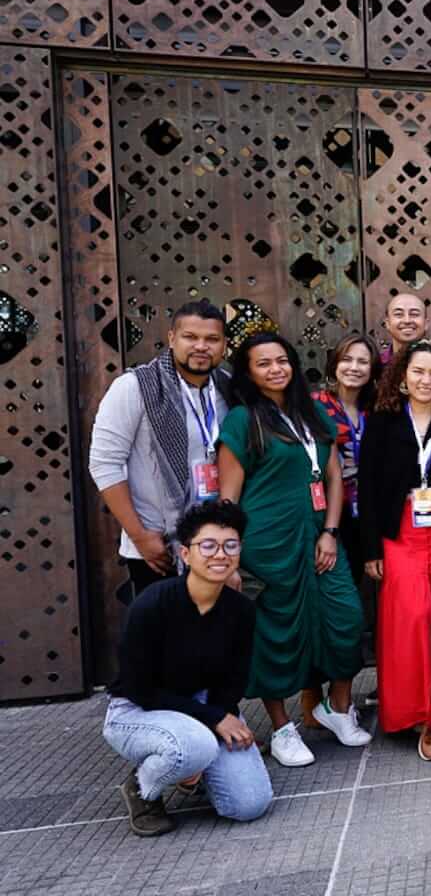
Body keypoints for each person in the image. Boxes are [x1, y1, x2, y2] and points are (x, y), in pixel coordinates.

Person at [217, 332, 369, 767]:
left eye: (282, 361)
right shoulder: (242, 421)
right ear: (247, 372)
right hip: (268, 543)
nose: (276, 369)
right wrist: (229, 555)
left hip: (319, 537)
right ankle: (282, 728)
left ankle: (336, 707)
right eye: (263, 363)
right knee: (277, 635)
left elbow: (335, 477)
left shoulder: (315, 411)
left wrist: (331, 532)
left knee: (345, 618)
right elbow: (228, 498)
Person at [103, 500, 272, 837]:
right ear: (185, 554)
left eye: (230, 545)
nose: (220, 554)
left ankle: (195, 770)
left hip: (204, 706)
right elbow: (139, 689)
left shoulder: (240, 610)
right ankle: (143, 787)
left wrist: (218, 715)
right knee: (195, 746)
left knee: (250, 804)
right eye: (207, 545)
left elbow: (232, 682)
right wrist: (211, 720)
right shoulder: (152, 604)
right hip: (137, 711)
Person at [358, 339, 431, 759]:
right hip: (399, 534)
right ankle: (421, 715)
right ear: (403, 379)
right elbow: (367, 489)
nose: (426, 380)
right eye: (418, 372)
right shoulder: (382, 423)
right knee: (411, 619)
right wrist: (370, 547)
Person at [89, 300, 231, 604]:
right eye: (190, 337)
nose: (201, 346)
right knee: (166, 641)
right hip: (158, 545)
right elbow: (105, 464)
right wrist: (139, 535)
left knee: (213, 639)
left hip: (216, 543)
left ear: (224, 345)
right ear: (171, 339)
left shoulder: (228, 389)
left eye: (211, 339)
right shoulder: (135, 387)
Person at [309, 332, 380, 726]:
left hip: (367, 516)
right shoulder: (315, 406)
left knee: (361, 606)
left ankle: (341, 699)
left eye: (363, 361)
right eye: (347, 359)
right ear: (334, 363)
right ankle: (312, 702)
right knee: (330, 605)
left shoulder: (377, 408)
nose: (354, 367)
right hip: (328, 517)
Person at [379, 292, 428, 364]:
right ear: (387, 323)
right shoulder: (376, 364)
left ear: (426, 323)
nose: (407, 320)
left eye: (414, 314)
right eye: (399, 314)